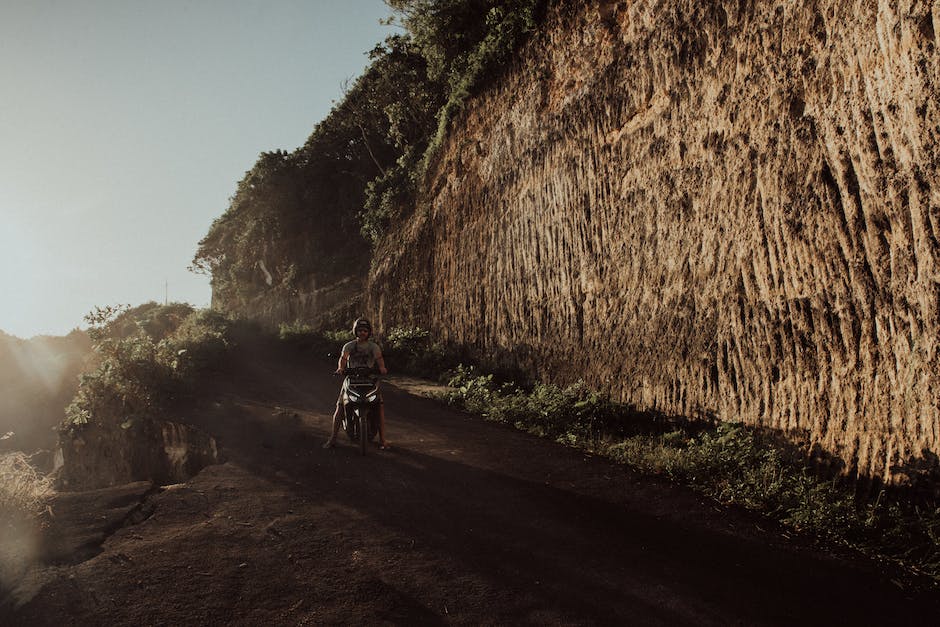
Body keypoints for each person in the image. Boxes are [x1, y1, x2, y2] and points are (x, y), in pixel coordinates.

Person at [323, 317, 389, 449]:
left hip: (370, 379)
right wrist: (341, 368)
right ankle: (332, 438)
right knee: (340, 407)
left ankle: (383, 441)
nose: (362, 333)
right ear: (355, 331)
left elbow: (379, 358)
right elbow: (343, 358)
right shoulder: (349, 346)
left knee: (379, 407)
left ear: (369, 332)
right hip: (351, 379)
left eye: (365, 330)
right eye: (360, 330)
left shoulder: (373, 347)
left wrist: (382, 368)